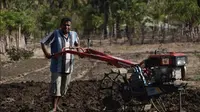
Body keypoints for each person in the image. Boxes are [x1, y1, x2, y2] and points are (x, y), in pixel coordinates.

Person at [40, 17, 79, 112]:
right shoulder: (55, 33)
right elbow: (43, 42)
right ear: (61, 25)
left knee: (63, 89)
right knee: (55, 88)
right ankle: (53, 107)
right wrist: (46, 54)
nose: (66, 27)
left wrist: (78, 51)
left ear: (71, 26)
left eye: (68, 25)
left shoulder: (74, 34)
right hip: (56, 67)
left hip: (68, 67)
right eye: (65, 25)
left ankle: (56, 106)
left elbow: (77, 43)